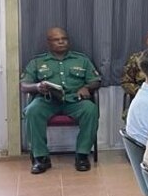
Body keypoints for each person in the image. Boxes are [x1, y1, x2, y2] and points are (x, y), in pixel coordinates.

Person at [21, 27, 101, 174]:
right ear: (49, 42)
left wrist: (87, 87)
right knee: (32, 111)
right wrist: (37, 86)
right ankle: (41, 158)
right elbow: (24, 85)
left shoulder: (81, 60)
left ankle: (82, 155)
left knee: (90, 109)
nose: (61, 42)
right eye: (56, 40)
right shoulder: (37, 61)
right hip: (47, 100)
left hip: (74, 100)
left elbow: (96, 81)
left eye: (64, 39)